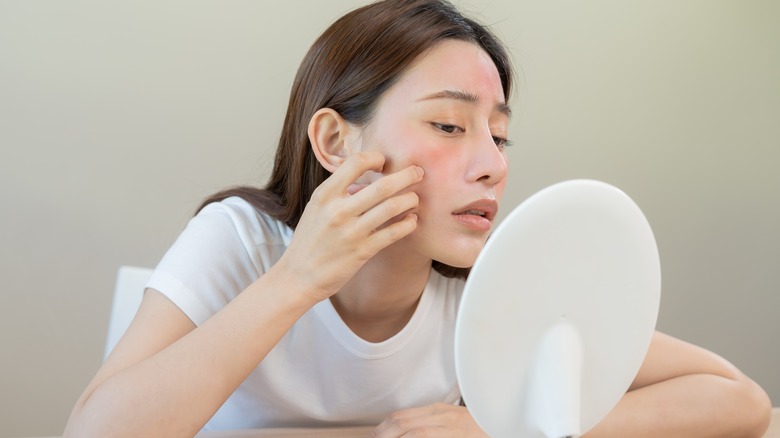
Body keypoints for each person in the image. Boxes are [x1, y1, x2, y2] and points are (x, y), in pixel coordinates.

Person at [64, 0, 771, 436]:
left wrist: (506, 429)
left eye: (500, 134)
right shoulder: (240, 241)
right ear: (336, 143)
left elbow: (739, 401)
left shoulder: (487, 285)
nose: (492, 163)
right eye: (448, 125)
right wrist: (297, 281)